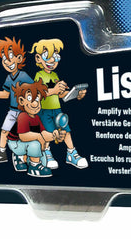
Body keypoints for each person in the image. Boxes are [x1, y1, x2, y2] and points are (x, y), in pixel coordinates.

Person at [31, 38, 88, 169]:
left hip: (57, 109)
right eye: (47, 56)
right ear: (38, 58)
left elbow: (60, 94)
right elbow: (37, 93)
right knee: (49, 133)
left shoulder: (55, 75)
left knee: (66, 130)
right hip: (44, 111)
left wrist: (76, 94)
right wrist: (54, 90)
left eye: (56, 56)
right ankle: (46, 153)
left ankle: (71, 153)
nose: (52, 60)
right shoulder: (39, 75)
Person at [0, 37, 33, 163]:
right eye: (4, 58)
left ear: (19, 58)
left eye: (10, 57)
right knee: (4, 131)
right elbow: (5, 94)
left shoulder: (24, 75)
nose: (7, 61)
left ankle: (26, 155)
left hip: (24, 111)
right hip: (12, 111)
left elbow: (34, 90)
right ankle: (2, 152)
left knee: (23, 134)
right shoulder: (9, 78)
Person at [7, 79, 65, 178]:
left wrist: (54, 135)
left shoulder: (37, 117)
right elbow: (23, 137)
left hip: (25, 143)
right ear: (21, 101)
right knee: (35, 144)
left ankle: (24, 158)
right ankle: (33, 166)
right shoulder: (23, 116)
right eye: (30, 98)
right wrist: (39, 137)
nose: (35, 104)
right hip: (15, 143)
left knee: (44, 160)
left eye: (37, 99)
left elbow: (43, 133)